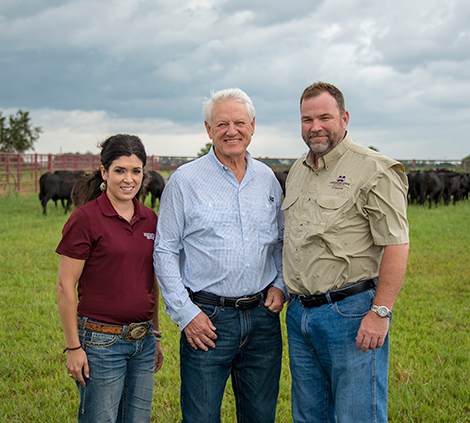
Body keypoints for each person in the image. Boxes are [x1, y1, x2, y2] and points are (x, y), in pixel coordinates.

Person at [153, 88, 286, 423]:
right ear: (208, 129)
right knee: (201, 417)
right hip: (207, 318)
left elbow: (283, 241)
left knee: (260, 416)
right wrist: (186, 314)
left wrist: (281, 284)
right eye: (222, 123)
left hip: (263, 320)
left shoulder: (268, 179)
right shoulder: (184, 180)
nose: (232, 130)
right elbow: (165, 249)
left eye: (239, 122)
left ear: (252, 126)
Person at [282, 82, 410, 423]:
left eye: (325, 117)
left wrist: (380, 313)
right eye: (307, 119)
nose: (315, 127)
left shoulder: (374, 169)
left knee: (357, 415)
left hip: (349, 314)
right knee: (309, 415)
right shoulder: (297, 171)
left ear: (344, 117)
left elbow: (396, 244)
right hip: (299, 315)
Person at [56, 134, 164, 423]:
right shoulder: (85, 218)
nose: (128, 179)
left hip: (142, 343)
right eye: (120, 170)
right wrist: (73, 347)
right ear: (104, 172)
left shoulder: (151, 219)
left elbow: (151, 281)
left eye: (136, 171)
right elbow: (65, 285)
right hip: (100, 343)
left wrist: (155, 333)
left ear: (144, 173)